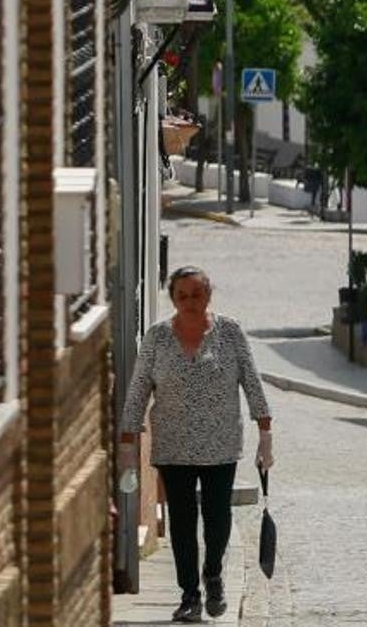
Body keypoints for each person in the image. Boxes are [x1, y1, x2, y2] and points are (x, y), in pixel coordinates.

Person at [119, 266, 273, 623]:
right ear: (173, 298)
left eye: (197, 295)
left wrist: (265, 433)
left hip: (220, 443)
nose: (190, 302)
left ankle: (213, 573)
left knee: (218, 517)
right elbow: (139, 387)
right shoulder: (157, 337)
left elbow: (251, 380)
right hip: (173, 445)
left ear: (209, 295)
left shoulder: (230, 332)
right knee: (182, 522)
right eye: (182, 296)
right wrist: (128, 440)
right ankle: (189, 594)